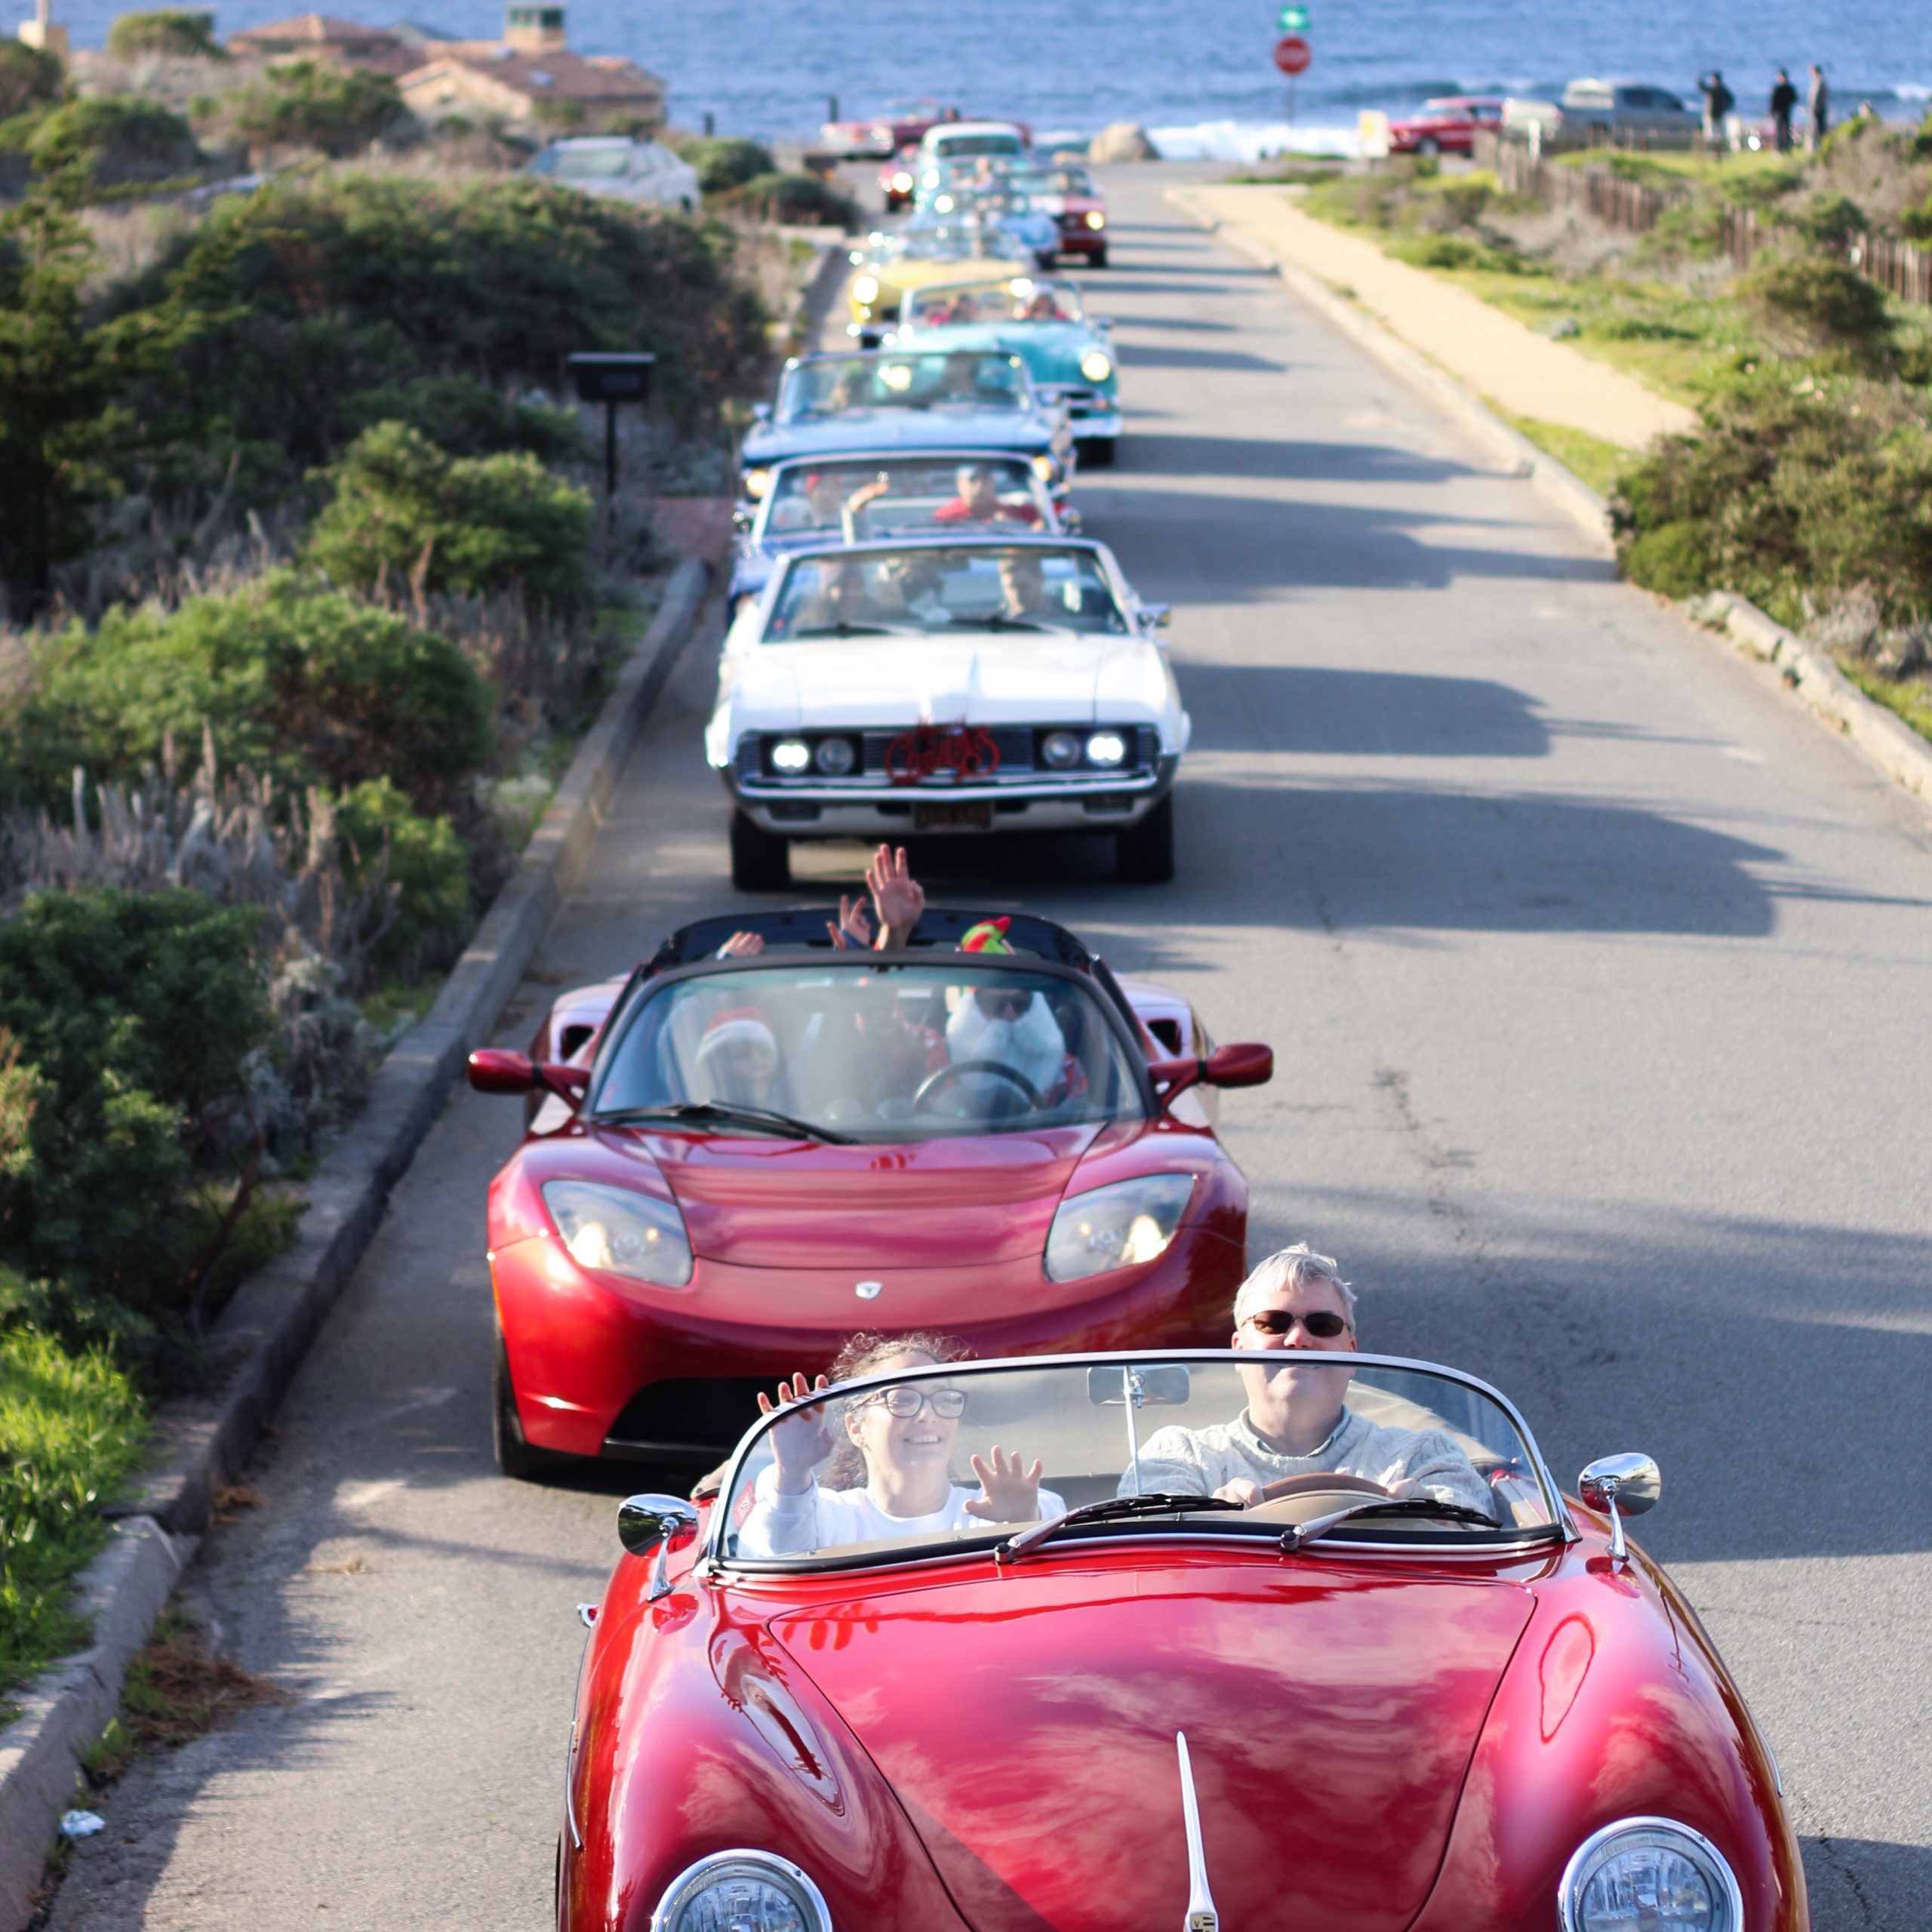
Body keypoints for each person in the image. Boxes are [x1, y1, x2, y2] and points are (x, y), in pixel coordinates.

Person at [1128, 1244, 1495, 1515]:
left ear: (1352, 1353)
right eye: (1273, 1322)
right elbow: (1141, 1550)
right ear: (1238, 1349)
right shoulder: (1181, 1455)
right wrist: (1209, 1517)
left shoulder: (1420, 1456)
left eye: (1323, 1325)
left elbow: (1480, 1540)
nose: (1298, 1339)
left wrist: (1427, 1519)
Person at [736, 1331, 1063, 1555]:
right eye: (903, 1399)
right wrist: (791, 1473)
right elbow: (773, 1553)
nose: (927, 1415)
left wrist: (1023, 1525)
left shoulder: (988, 1508)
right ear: (856, 1427)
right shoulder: (829, 1514)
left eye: (943, 1399)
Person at [931, 462, 1042, 528]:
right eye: (973, 480)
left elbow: (1043, 522)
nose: (980, 487)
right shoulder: (946, 517)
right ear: (959, 483)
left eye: (985, 479)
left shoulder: (1016, 513)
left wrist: (1012, 527)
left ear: (992, 482)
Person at [1697, 69, 1734, 150]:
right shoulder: (1722, 89)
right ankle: (1718, 150)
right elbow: (1731, 100)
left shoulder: (1713, 89)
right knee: (1719, 134)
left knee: (1713, 135)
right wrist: (1725, 108)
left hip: (1712, 115)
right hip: (1720, 114)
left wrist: (1700, 81)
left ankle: (1715, 150)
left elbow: (1703, 88)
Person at [1769, 69, 1798, 154]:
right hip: (1779, 113)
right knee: (1778, 131)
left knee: (1787, 131)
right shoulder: (1778, 88)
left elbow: (1794, 99)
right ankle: (1779, 148)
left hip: (1786, 112)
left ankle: (1787, 148)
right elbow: (1773, 102)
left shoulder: (1788, 88)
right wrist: (1772, 112)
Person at [1807, 64, 1829, 150]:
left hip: (1818, 109)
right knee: (1817, 128)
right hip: (1819, 108)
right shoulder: (1819, 81)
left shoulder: (1819, 81)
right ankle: (1819, 146)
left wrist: (1812, 107)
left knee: (1817, 128)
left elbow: (1815, 97)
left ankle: (1818, 146)